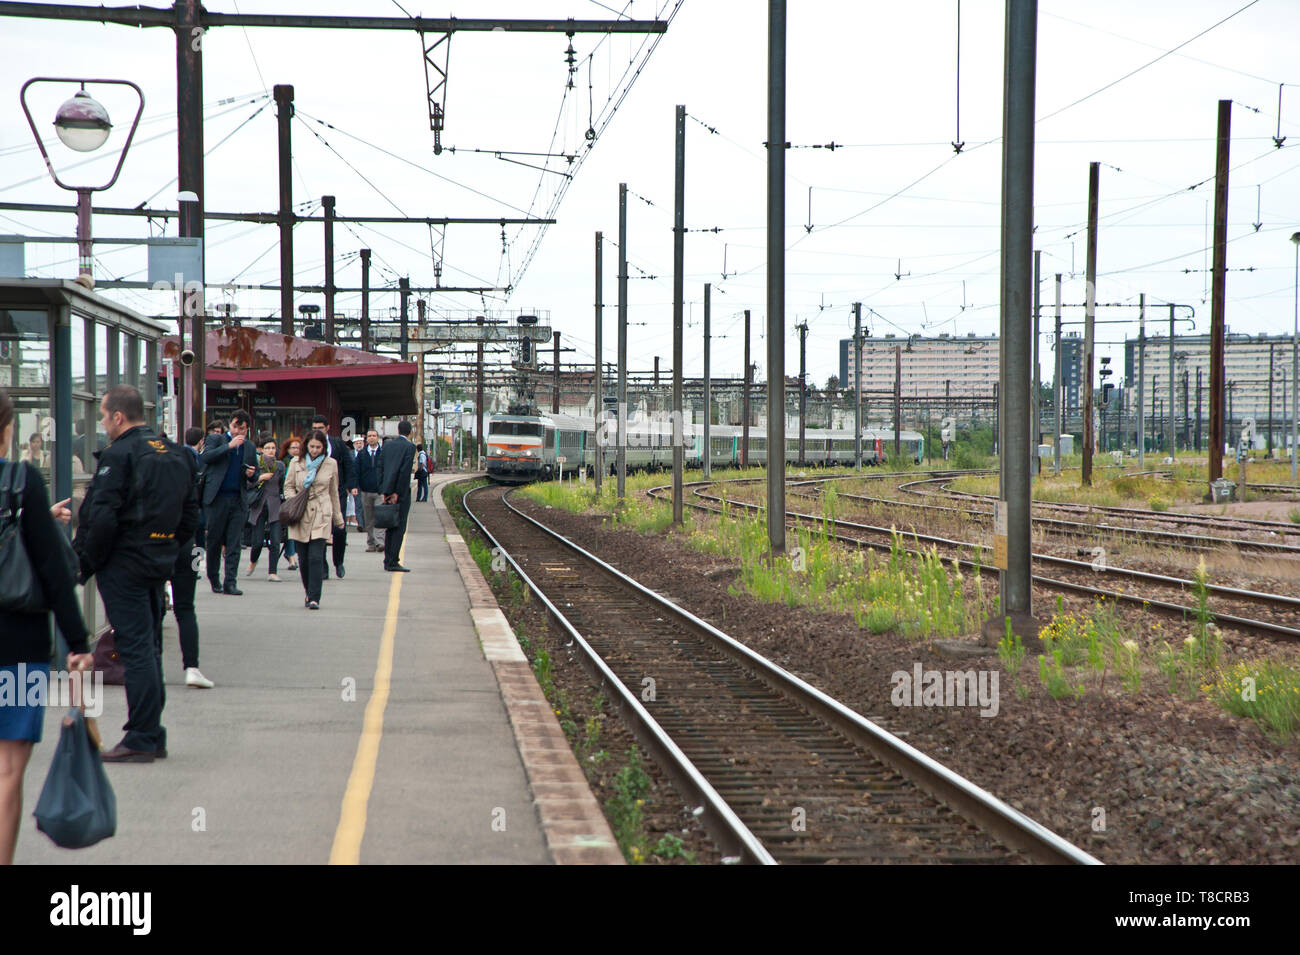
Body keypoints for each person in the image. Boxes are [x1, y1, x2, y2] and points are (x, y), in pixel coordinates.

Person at [77, 384, 198, 763]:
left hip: (124, 564)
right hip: (158, 561)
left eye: (103, 417)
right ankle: (153, 733)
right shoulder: (176, 454)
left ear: (117, 417)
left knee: (135, 648)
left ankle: (142, 737)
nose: (103, 424)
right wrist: (169, 549)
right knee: (150, 647)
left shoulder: (120, 455)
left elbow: (103, 517)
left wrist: (83, 564)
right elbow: (190, 514)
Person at [0, 389, 95, 864]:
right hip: (18, 646)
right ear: (9, 429)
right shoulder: (22, 482)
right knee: (8, 772)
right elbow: (55, 571)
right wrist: (77, 641)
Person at [169, 425, 213, 689]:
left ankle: (153, 666)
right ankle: (192, 668)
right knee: (186, 608)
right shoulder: (190, 478)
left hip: (156, 548)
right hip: (185, 546)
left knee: (152, 608)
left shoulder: (156, 482)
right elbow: (194, 518)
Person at [283, 429, 344, 610]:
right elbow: (288, 487)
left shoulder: (331, 464)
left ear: (324, 447)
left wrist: (338, 518)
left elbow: (334, 492)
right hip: (300, 513)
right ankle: (308, 591)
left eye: (318, 447)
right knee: (304, 558)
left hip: (321, 512)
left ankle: (315, 597)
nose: (315, 450)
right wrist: (294, 500)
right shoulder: (296, 462)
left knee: (316, 556)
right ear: (306, 446)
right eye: (312, 446)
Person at [199, 411, 257, 595]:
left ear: (247, 429)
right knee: (214, 541)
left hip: (238, 499)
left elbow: (254, 474)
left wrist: (251, 474)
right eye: (234, 427)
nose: (238, 431)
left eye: (242, 428)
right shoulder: (217, 439)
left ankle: (230, 581)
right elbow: (206, 457)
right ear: (229, 425)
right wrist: (229, 446)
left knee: (234, 543)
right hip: (217, 498)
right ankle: (214, 578)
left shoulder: (249, 447)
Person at [309, 414, 354, 580]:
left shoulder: (337, 444)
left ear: (327, 428)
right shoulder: (309, 445)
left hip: (337, 492)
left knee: (339, 529)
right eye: (314, 428)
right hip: (317, 494)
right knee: (320, 530)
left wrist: (350, 486)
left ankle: (339, 561)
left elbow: (349, 465)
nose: (317, 431)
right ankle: (322, 566)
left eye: (320, 428)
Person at [379, 419, 417, 573]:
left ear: (398, 430)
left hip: (386, 491)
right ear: (410, 432)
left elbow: (380, 468)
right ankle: (393, 561)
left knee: (389, 526)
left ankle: (387, 559)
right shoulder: (410, 447)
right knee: (399, 527)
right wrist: (397, 493)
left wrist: (384, 491)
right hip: (399, 493)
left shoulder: (387, 446)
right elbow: (404, 472)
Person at [246, 434, 285, 582]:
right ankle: (253, 561)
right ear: (261, 449)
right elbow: (247, 484)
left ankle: (272, 571)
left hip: (275, 505)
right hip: (259, 505)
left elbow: (282, 484)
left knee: (275, 541)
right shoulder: (255, 464)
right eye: (267, 448)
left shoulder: (280, 466)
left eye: (273, 448)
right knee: (257, 542)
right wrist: (259, 478)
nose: (270, 450)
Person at [355, 428, 385, 553]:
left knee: (379, 517)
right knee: (368, 518)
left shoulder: (383, 453)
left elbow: (386, 471)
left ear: (378, 438)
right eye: (369, 436)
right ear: (366, 438)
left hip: (379, 491)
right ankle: (371, 543)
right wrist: (355, 486)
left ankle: (380, 542)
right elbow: (356, 471)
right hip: (365, 491)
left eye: (374, 435)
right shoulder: (362, 454)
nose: (371, 438)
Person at [279, 436, 302, 571]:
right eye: (293, 448)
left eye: (298, 448)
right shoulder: (283, 462)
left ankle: (293, 554)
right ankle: (291, 557)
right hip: (285, 499)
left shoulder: (303, 462)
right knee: (290, 528)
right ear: (287, 449)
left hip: (300, 499)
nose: (295, 450)